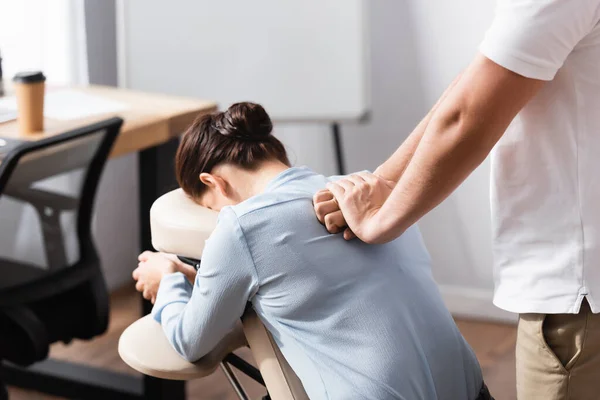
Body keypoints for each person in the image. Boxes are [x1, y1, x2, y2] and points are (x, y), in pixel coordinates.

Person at [314, 1, 600, 399]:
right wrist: (383, 182)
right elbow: (477, 82)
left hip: (580, 294)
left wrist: (382, 221)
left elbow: (467, 115)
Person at [132, 102, 492, 400]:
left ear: (214, 182)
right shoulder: (370, 193)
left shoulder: (242, 226)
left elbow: (189, 341)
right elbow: (323, 286)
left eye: (210, 206)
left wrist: (167, 280)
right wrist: (203, 281)